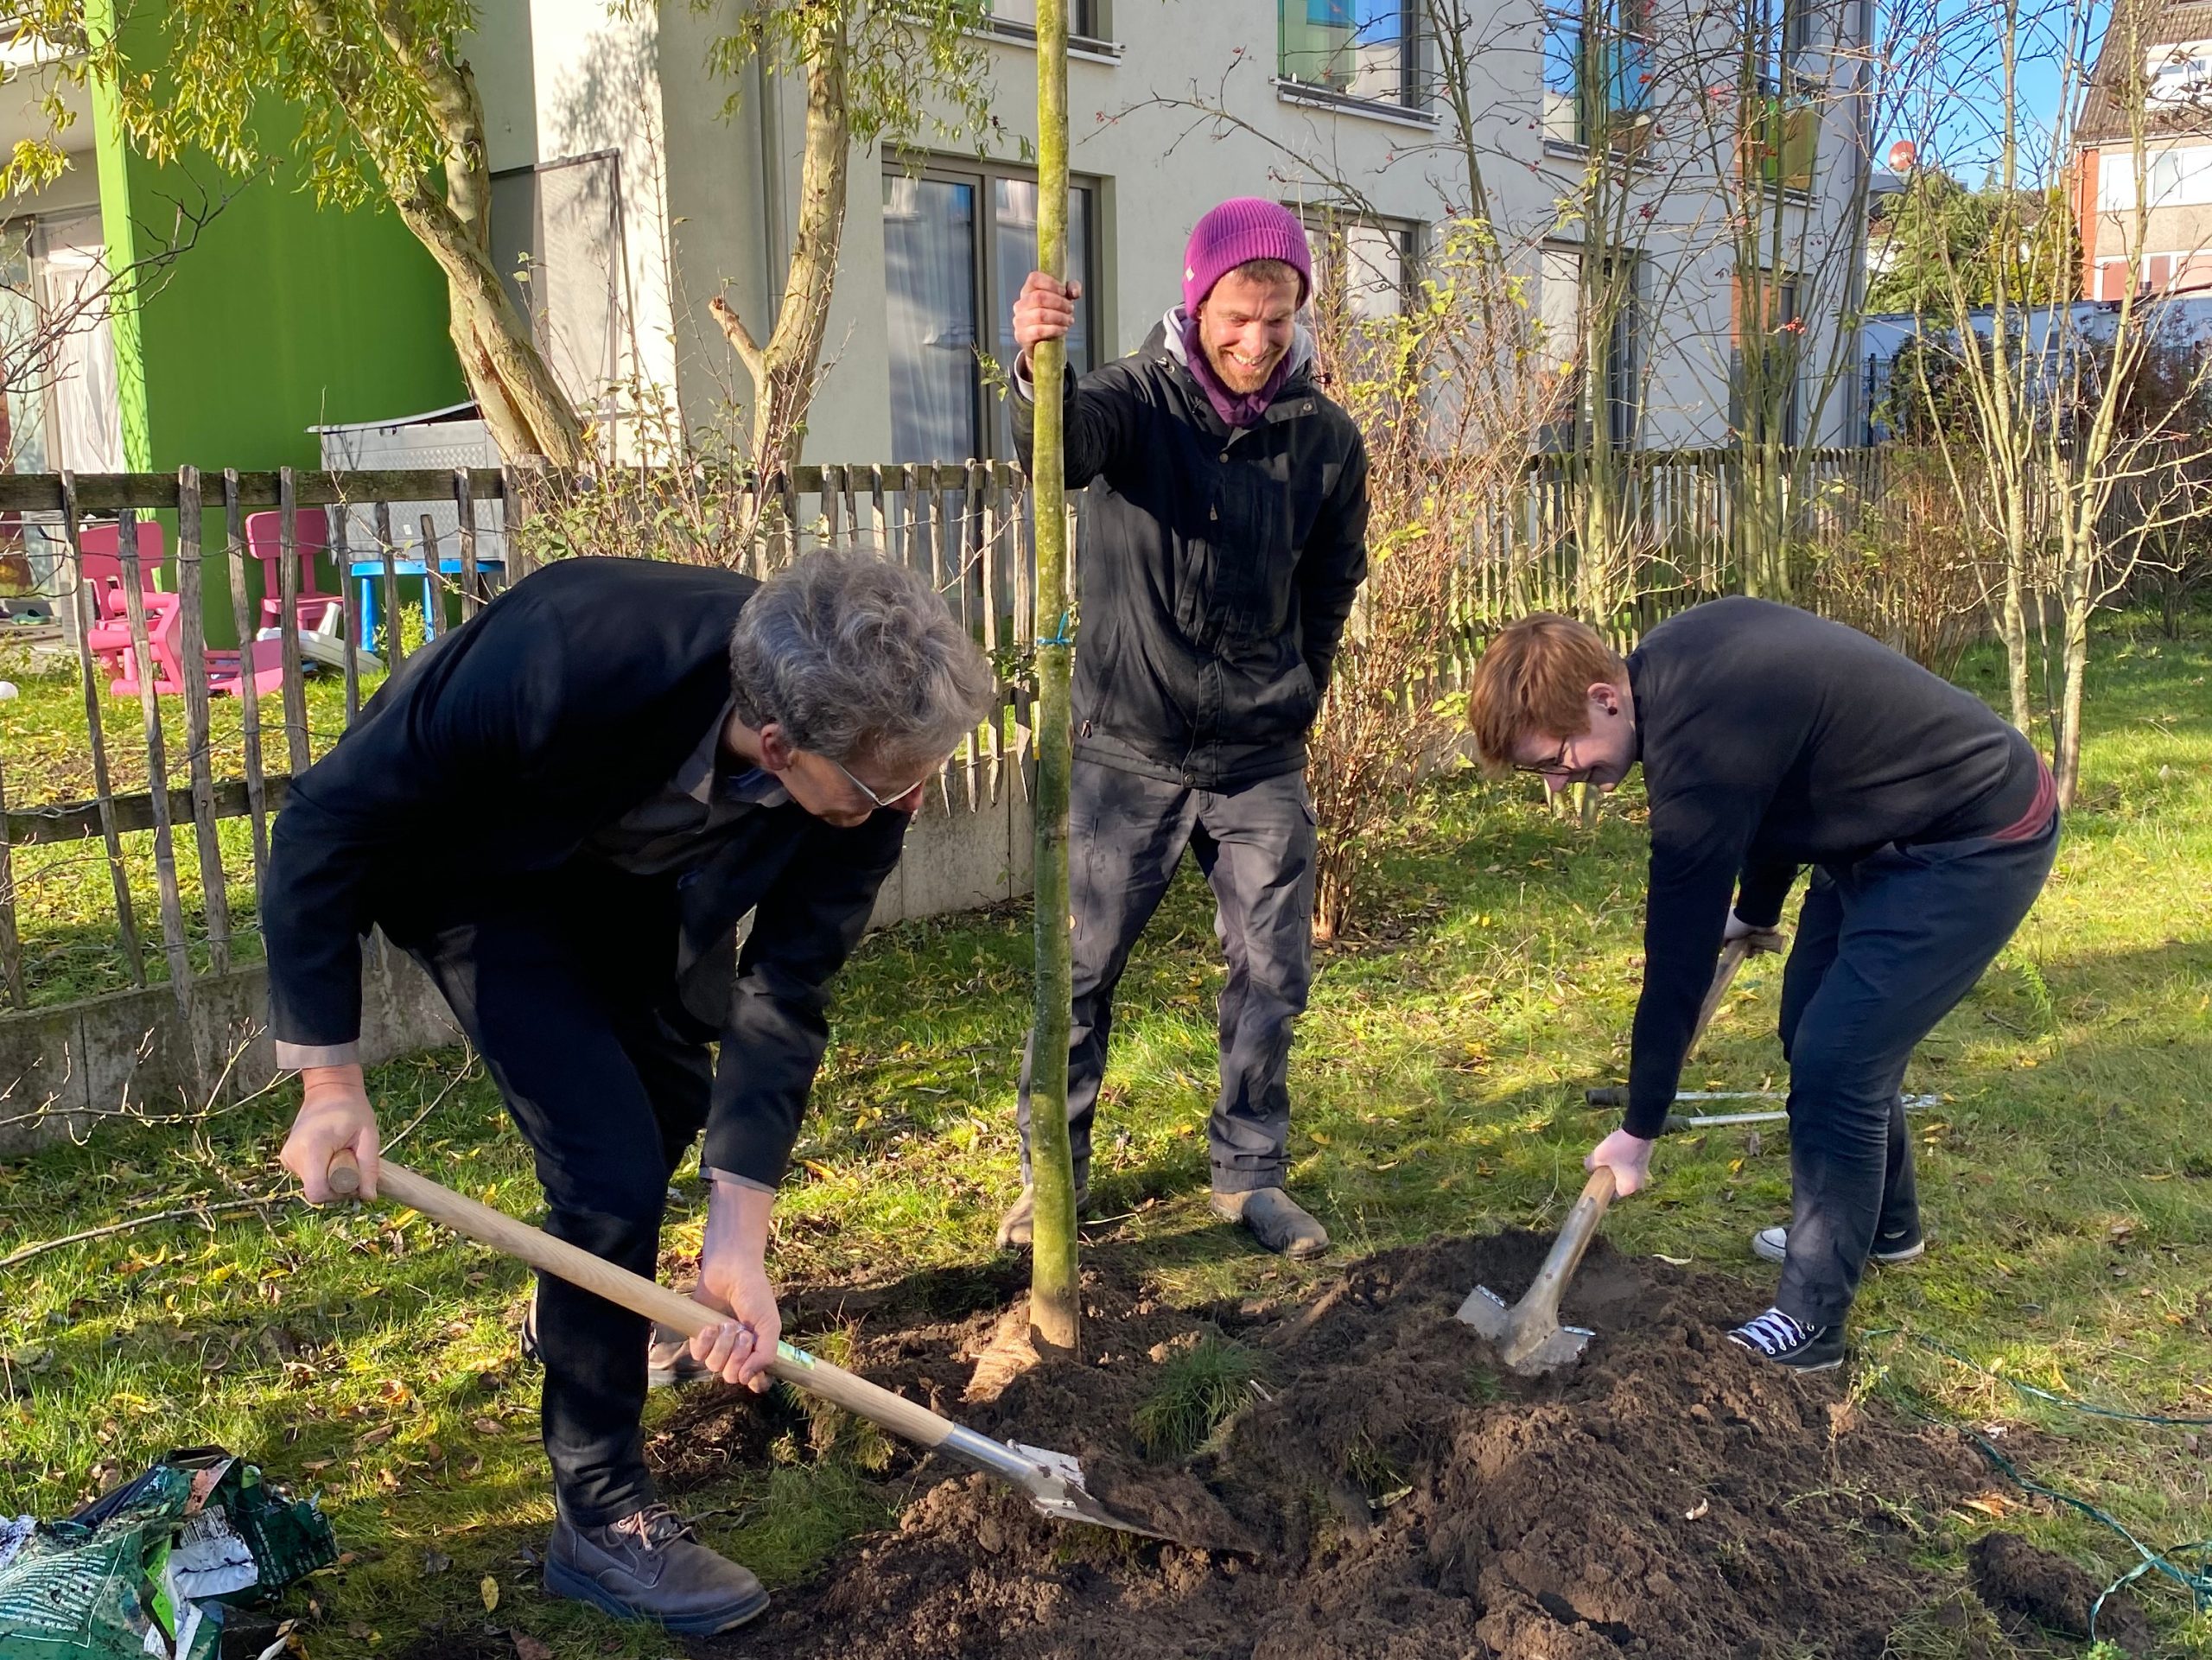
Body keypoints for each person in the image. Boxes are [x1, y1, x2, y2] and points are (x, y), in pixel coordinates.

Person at [270, 553, 992, 1632]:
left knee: (665, 1101)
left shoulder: (873, 756)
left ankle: (578, 1305)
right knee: (606, 1173)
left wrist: (736, 1240)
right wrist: (330, 1080)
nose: (913, 802)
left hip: (627, 879)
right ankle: (599, 1511)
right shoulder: (571, 648)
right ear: (780, 745)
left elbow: (785, 988)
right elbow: (325, 820)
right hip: (472, 866)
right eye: (886, 788)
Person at [1466, 599, 2059, 1371]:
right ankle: (1883, 1226)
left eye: (1556, 757)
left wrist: (1640, 1129)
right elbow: (1775, 783)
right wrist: (1757, 908)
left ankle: (1810, 1320)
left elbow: (1676, 959)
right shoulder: (1674, 674)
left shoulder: (1697, 739)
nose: (1558, 781)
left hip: (1976, 834)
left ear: (1603, 699)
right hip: (1880, 833)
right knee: (1812, 1022)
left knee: (1838, 1057)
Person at [997, 197, 1370, 1258]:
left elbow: (1332, 582)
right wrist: (1035, 367)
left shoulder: (1323, 439)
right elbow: (1058, 452)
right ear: (1197, 304)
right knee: (1076, 974)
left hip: (1257, 757)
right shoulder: (1133, 399)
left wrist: (1300, 689)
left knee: (1272, 971)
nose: (1257, 341)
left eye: (1277, 319)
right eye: (1237, 318)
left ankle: (1249, 1174)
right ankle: (1051, 1180)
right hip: (1126, 749)